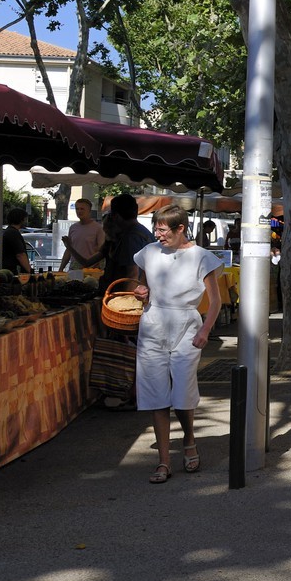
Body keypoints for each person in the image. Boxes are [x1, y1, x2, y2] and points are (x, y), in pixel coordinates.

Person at [132, 205, 222, 483]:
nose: (158, 235)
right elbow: (142, 288)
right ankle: (163, 460)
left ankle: (189, 438)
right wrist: (141, 292)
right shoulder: (148, 253)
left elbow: (216, 300)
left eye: (162, 230)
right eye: (156, 228)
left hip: (187, 326)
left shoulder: (202, 257)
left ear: (180, 228)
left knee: (182, 391)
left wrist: (206, 330)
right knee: (155, 393)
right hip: (153, 323)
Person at [100, 194, 153, 291]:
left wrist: (127, 300)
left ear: (115, 215)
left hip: (134, 295)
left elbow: (132, 274)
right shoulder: (145, 233)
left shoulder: (131, 238)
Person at [59, 198, 106, 274]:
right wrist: (61, 269)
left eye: (82, 209)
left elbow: (101, 251)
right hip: (74, 269)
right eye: (77, 209)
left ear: (89, 211)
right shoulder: (73, 228)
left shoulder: (98, 228)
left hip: (91, 270)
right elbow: (68, 250)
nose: (79, 211)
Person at [0, 208, 32, 274]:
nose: (26, 221)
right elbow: (20, 254)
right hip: (14, 272)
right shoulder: (13, 233)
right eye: (25, 219)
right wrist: (30, 271)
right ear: (21, 219)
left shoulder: (9, 231)